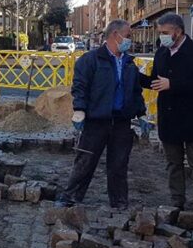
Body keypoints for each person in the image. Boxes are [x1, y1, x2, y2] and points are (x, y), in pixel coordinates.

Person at [55, 19, 150, 210]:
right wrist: (80, 110)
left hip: (121, 122)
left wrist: (141, 114)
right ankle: (71, 198)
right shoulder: (90, 60)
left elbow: (134, 91)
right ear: (116, 35)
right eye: (128, 36)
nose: (130, 40)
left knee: (119, 165)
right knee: (85, 161)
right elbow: (80, 86)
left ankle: (119, 203)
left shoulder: (129, 63)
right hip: (96, 121)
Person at [141, 13, 193, 211]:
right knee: (173, 164)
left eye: (165, 32)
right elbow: (156, 82)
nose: (162, 37)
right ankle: (177, 203)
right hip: (169, 118)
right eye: (160, 33)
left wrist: (173, 84)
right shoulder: (161, 53)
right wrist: (136, 76)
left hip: (192, 119)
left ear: (178, 31)